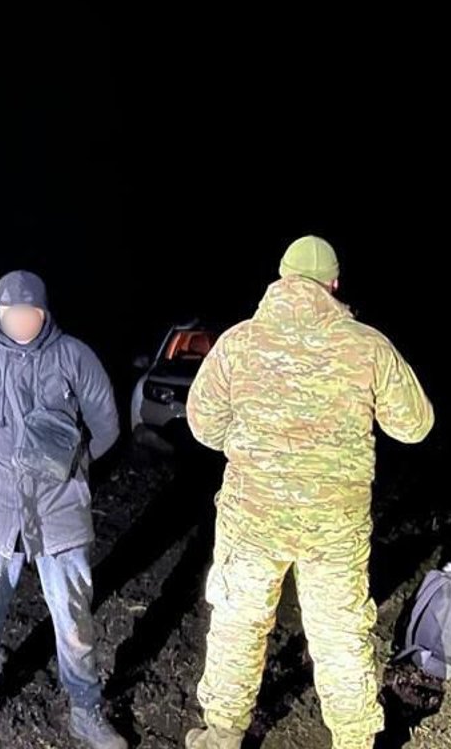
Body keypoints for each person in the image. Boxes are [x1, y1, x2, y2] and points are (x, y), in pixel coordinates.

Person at [183, 236, 434, 749]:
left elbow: (202, 423)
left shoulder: (238, 342)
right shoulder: (366, 345)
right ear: (334, 283)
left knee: (238, 623)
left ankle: (223, 734)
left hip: (252, 519)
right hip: (333, 523)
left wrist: (251, 448)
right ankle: (354, 740)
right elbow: (415, 425)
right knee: (340, 631)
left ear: (281, 277)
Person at [0, 270, 127, 749]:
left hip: (60, 512)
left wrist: (72, 467)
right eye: (11, 312)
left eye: (30, 312)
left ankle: (85, 709)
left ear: (44, 312)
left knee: (74, 619)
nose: (21, 320)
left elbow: (106, 425)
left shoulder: (74, 356)